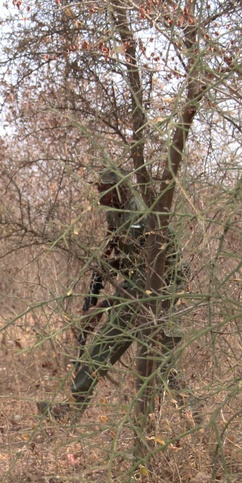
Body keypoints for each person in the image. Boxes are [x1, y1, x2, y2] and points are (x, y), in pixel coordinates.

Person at [39, 168, 185, 420]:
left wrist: (105, 305)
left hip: (153, 293)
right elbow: (129, 259)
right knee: (154, 360)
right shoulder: (118, 213)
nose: (100, 197)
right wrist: (106, 268)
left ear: (120, 190)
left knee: (115, 351)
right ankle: (192, 414)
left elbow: (148, 273)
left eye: (104, 190)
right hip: (141, 290)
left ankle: (192, 416)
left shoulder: (140, 215)